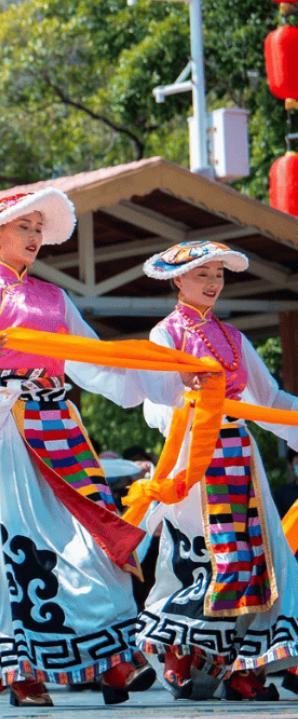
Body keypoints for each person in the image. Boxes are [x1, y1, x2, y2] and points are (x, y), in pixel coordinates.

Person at [0, 188, 182, 707]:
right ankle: (21, 669)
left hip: (62, 426)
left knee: (96, 535)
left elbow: (92, 359)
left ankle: (115, 657)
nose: (33, 237)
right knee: (19, 545)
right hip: (10, 427)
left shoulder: (54, 298)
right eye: (22, 227)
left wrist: (159, 375)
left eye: (37, 229)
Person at [136, 241, 298, 700]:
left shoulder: (233, 337)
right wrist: (183, 394)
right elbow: (153, 404)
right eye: (202, 274)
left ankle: (245, 666)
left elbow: (268, 401)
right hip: (194, 458)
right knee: (205, 556)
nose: (212, 283)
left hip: (240, 456)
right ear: (178, 279)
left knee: (262, 559)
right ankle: (180, 652)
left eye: (218, 275)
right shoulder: (165, 334)